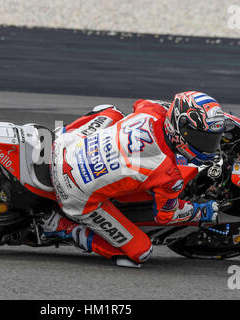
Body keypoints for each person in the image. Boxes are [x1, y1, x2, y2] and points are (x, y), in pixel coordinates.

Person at [43, 91, 225, 267]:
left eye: (212, 140)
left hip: (64, 146)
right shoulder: (168, 174)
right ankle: (63, 227)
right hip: (74, 194)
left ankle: (63, 131)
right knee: (140, 252)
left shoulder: (150, 109)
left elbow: (141, 104)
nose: (207, 147)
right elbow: (166, 215)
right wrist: (202, 211)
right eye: (201, 139)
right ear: (181, 127)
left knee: (111, 111)